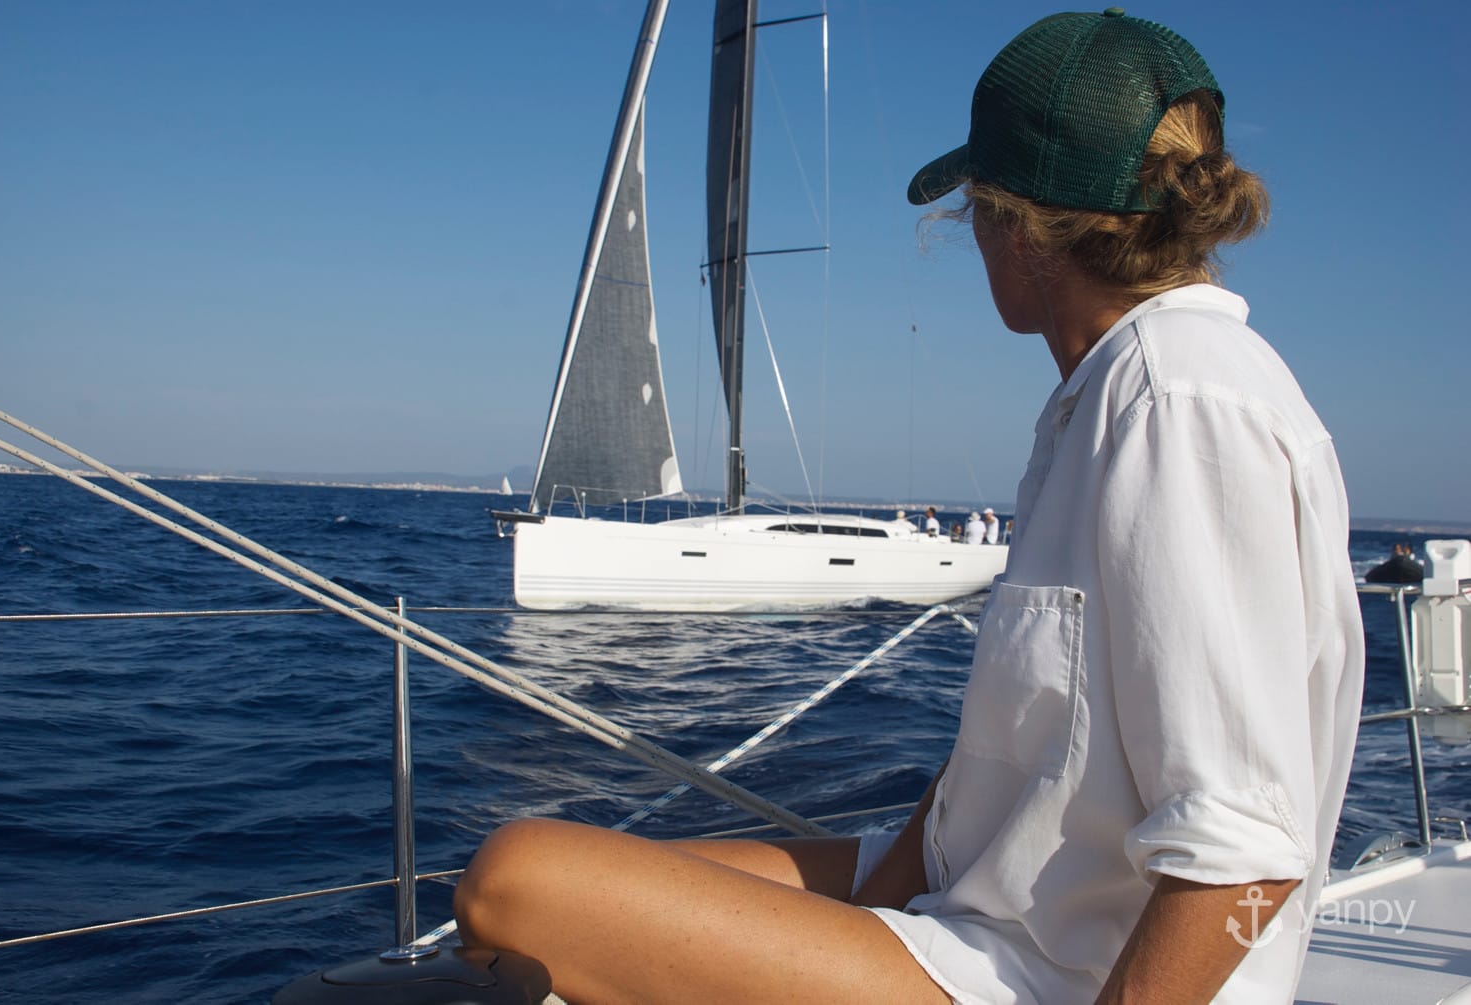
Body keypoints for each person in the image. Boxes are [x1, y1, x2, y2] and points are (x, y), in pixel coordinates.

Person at [453, 11, 1364, 1003]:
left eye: (975, 202)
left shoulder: (1179, 404)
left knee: (517, 884)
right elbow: (1014, 768)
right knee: (609, 887)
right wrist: (858, 927)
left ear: (1016, 225)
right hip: (988, 896)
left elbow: (1248, 855)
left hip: (1044, 971)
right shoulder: (1108, 397)